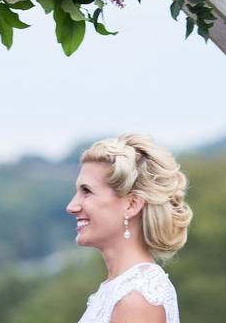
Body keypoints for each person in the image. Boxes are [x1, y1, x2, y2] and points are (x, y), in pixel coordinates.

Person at [66, 135, 192, 323]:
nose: (71, 206)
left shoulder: (137, 299)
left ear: (131, 204)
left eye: (87, 191)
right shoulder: (120, 289)